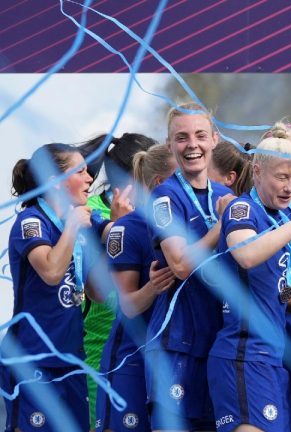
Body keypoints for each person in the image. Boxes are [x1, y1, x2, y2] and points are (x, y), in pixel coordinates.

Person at [207, 136, 291, 432]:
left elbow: (276, 292)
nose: (290, 187)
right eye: (282, 177)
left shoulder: (278, 218)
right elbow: (245, 255)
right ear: (257, 171)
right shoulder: (242, 210)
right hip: (243, 354)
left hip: (271, 357)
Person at [1, 143, 111, 431]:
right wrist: (74, 227)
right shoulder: (31, 222)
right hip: (32, 358)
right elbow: (50, 271)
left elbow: (98, 292)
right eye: (81, 171)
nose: (90, 179)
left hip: (71, 358)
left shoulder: (82, 221)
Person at [144, 102, 235, 430]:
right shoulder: (164, 198)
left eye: (200, 135)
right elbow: (180, 264)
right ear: (169, 145)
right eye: (181, 138)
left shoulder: (226, 195)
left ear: (215, 139)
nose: (192, 145)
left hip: (219, 342)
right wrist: (220, 226)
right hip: (176, 344)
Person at [94, 144, 177, 432]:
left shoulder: (194, 225)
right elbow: (125, 304)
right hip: (132, 356)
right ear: (161, 184)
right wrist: (153, 287)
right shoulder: (129, 228)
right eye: (181, 180)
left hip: (175, 357)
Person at [79, 132, 154, 428]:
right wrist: (118, 227)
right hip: (99, 347)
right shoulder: (90, 214)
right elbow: (95, 289)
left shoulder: (161, 210)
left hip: (151, 345)